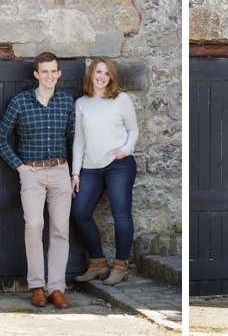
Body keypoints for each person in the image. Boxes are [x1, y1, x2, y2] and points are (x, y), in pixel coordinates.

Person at [0, 52, 76, 309]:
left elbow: (75, 140)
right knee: (34, 224)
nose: (50, 76)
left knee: (60, 230)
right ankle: (37, 287)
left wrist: (75, 173)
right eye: (45, 71)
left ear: (59, 73)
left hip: (61, 170)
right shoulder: (20, 102)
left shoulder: (66, 102)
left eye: (54, 71)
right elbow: (0, 138)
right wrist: (20, 167)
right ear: (36, 74)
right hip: (32, 173)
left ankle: (56, 289)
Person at [70, 57, 138, 286]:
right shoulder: (81, 103)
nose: (101, 77)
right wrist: (75, 173)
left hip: (118, 165)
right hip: (90, 167)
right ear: (91, 74)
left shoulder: (121, 99)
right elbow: (79, 140)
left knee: (121, 214)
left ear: (111, 78)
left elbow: (133, 129)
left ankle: (120, 266)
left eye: (106, 73)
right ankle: (98, 263)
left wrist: (125, 151)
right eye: (98, 72)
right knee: (80, 213)